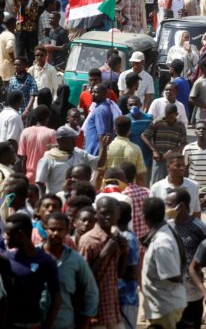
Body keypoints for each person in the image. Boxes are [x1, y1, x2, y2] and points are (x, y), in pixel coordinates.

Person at [42, 211, 100, 329]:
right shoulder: (35, 256)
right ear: (45, 228)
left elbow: (91, 292)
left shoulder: (76, 259)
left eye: (60, 230)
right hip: (36, 323)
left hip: (64, 323)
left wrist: (85, 322)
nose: (55, 233)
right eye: (52, 229)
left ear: (67, 231)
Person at [78, 196, 128, 329]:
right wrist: (103, 254)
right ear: (96, 214)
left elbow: (119, 273)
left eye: (112, 213)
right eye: (104, 212)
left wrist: (124, 252)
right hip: (95, 311)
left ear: (118, 215)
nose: (108, 217)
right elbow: (83, 278)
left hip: (112, 308)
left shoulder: (115, 238)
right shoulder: (88, 240)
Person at [166, 187, 206, 329]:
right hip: (171, 290)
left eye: (170, 205)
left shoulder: (199, 227)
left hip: (193, 292)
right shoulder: (167, 227)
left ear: (182, 206)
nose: (167, 208)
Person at [141, 197, 187, 328]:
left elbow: (173, 275)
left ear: (145, 219)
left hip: (166, 306)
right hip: (163, 305)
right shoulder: (166, 227)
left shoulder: (161, 243)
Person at [36, 125, 104, 196]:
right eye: (71, 140)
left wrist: (104, 147)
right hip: (57, 199)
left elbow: (100, 163)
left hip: (78, 197)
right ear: (60, 140)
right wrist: (43, 199)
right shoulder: (48, 158)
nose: (74, 143)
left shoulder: (80, 154)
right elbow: (40, 183)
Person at [142, 104, 187, 185]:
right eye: (166, 117)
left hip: (173, 160)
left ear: (176, 115)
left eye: (171, 118)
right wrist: (154, 150)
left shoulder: (180, 126)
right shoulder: (157, 122)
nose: (168, 120)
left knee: (173, 183)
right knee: (156, 183)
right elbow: (144, 136)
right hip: (159, 159)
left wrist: (173, 152)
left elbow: (183, 143)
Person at [150, 153, 201, 218]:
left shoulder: (193, 186)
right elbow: (151, 214)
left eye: (183, 165)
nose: (182, 168)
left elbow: (196, 212)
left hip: (187, 227)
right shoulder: (156, 188)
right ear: (168, 167)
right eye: (177, 165)